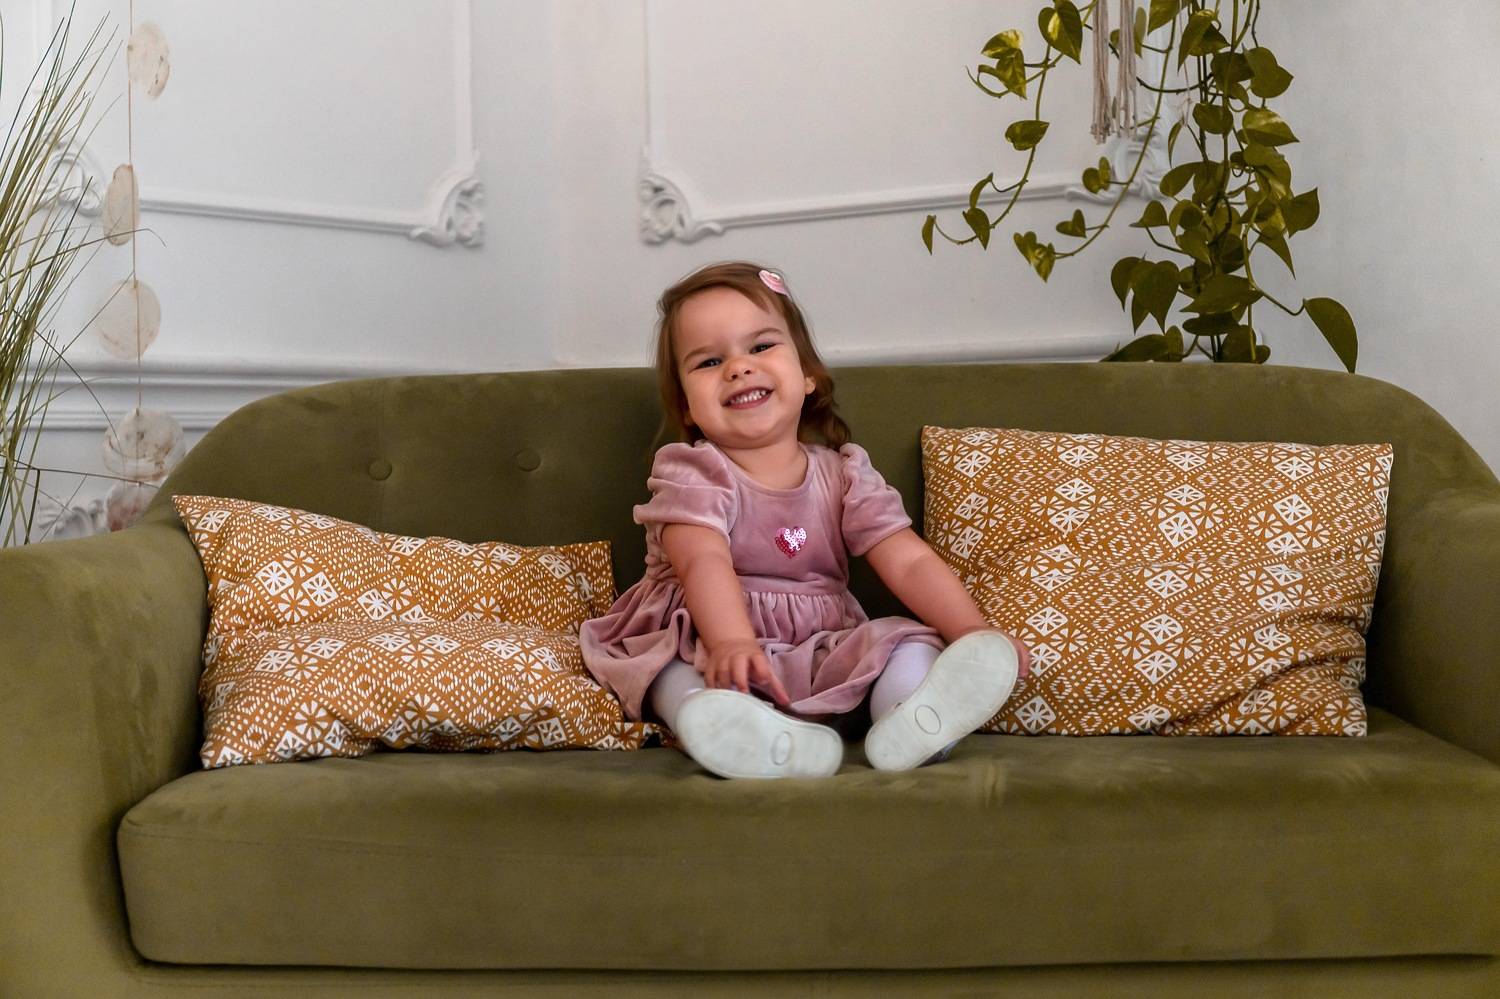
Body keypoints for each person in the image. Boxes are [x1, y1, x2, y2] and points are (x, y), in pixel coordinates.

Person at [580, 261, 1030, 779]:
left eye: (760, 346)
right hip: (707, 637)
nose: (738, 368)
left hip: (817, 649)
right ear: (687, 407)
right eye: (709, 361)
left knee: (909, 640)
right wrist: (730, 642)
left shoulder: (844, 474)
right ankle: (721, 727)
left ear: (807, 373)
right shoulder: (694, 472)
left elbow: (907, 561)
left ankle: (910, 718)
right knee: (667, 670)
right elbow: (702, 559)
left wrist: (969, 629)